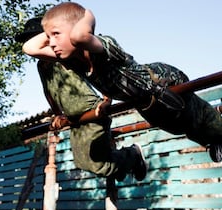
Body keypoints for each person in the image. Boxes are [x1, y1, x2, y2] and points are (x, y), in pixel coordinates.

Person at [22, 1, 222, 164]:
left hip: (161, 82)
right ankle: (212, 141)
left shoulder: (103, 45)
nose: (51, 43)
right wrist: (53, 30)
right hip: (143, 101)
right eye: (48, 37)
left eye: (55, 35)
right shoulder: (72, 61)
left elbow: (80, 36)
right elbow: (29, 48)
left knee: (195, 113)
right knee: (176, 127)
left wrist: (83, 16)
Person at [15, 17, 147, 182]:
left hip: (91, 109)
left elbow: (99, 69)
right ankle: (121, 168)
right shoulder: (41, 65)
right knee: (82, 162)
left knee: (97, 163)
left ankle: (132, 155)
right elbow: (48, 91)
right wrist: (57, 114)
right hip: (74, 117)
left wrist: (107, 99)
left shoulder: (65, 52)